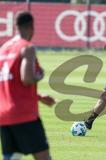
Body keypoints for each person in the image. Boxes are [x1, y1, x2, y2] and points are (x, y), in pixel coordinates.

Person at [0, 11, 56, 160]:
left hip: (4, 115)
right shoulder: (27, 47)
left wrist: (38, 97)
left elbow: (8, 82)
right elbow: (27, 79)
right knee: (44, 157)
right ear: (32, 26)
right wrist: (40, 74)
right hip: (24, 114)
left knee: (12, 157)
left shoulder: (3, 49)